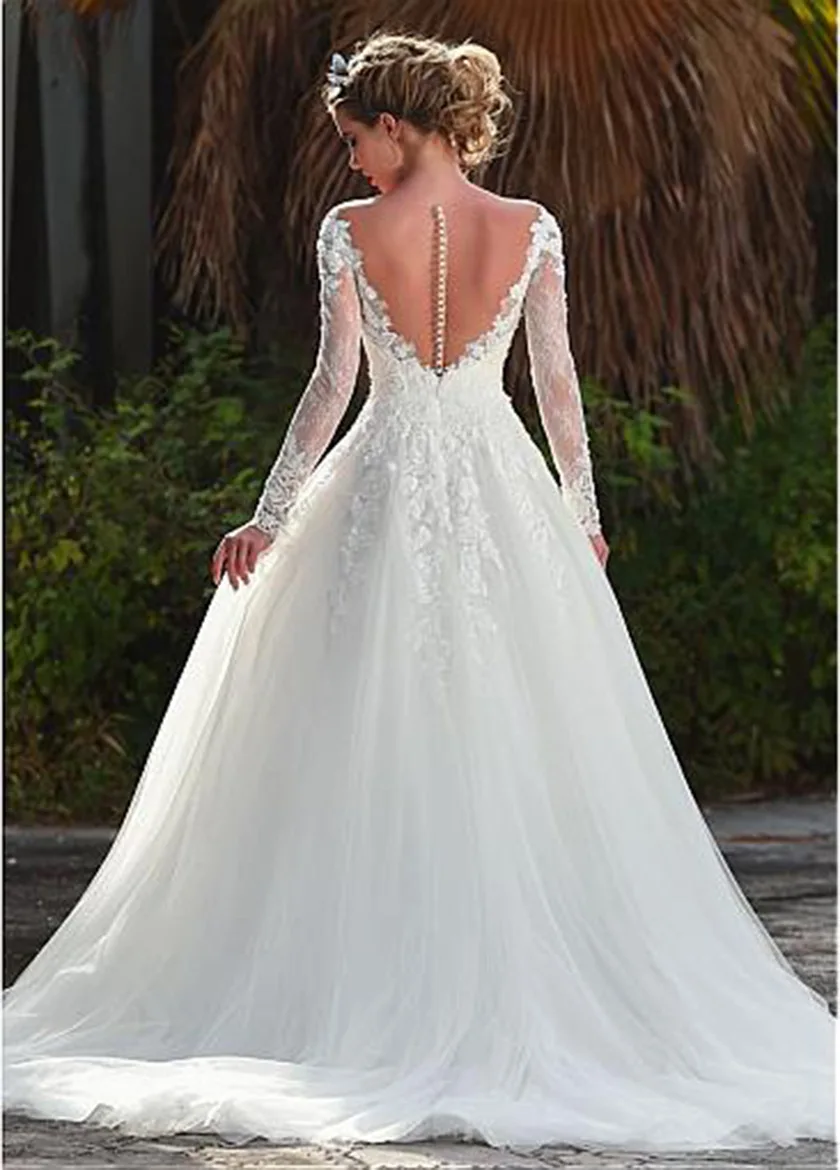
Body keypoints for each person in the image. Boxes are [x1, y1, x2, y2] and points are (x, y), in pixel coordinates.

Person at [3, 29, 834, 1155]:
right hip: (503, 487)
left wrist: (271, 515)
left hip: (383, 479)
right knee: (518, 721)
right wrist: (581, 516)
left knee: (353, 716)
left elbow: (333, 385)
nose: (350, 161)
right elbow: (555, 382)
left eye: (355, 139)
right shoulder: (530, 227)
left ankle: (358, 982)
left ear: (396, 126)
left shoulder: (351, 231)